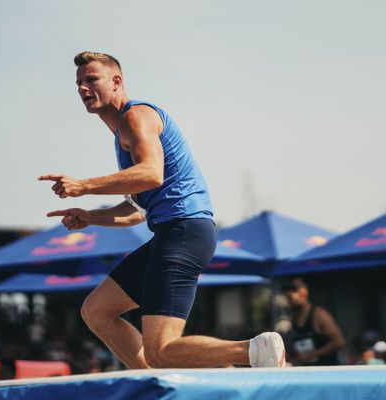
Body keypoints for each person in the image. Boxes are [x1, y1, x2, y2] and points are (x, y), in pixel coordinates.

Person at [38, 51, 285, 368]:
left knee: (160, 350)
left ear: (117, 81)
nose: (83, 89)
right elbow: (137, 210)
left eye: (91, 80)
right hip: (173, 232)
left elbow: (151, 173)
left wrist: (84, 185)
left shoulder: (135, 117)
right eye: (78, 84)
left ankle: (253, 349)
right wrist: (91, 217)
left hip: (184, 231)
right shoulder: (123, 134)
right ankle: (153, 382)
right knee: (97, 310)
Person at [282, 278, 345, 366]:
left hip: (327, 368)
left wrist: (312, 355)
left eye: (290, 297)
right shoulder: (294, 318)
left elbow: (339, 341)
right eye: (286, 298)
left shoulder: (319, 315)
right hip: (307, 369)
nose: (288, 301)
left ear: (303, 294)